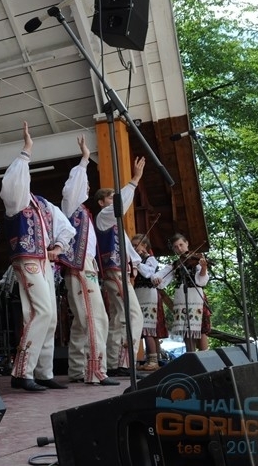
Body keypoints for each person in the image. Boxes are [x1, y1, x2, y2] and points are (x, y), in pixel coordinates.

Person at [0, 121, 75, 391]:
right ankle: (22, 372)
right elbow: (11, 183)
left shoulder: (43, 204)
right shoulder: (16, 201)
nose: (24, 177)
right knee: (40, 311)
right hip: (26, 259)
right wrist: (26, 151)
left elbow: (66, 227)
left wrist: (58, 247)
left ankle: (43, 372)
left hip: (44, 261)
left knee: (50, 316)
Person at [56, 136, 119, 386]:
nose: (86, 186)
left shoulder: (83, 211)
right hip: (80, 265)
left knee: (83, 320)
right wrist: (84, 160)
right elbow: (72, 186)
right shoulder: (72, 205)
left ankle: (77, 368)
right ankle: (96, 369)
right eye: (84, 183)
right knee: (95, 317)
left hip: (85, 265)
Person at [95, 157, 145, 377]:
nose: (115, 199)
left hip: (118, 271)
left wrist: (136, 263)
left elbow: (128, 248)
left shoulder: (114, 224)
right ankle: (126, 362)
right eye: (110, 197)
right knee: (133, 314)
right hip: (114, 271)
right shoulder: (104, 216)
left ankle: (115, 363)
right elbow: (120, 205)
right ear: (101, 202)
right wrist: (134, 180)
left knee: (118, 317)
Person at [153, 233, 210, 352]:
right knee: (186, 330)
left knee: (201, 330)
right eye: (175, 247)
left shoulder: (197, 259)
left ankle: (205, 357)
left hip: (196, 297)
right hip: (182, 299)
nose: (179, 248)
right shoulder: (175, 264)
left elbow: (201, 281)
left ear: (187, 243)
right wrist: (157, 279)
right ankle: (191, 357)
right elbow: (161, 275)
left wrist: (204, 268)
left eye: (181, 245)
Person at [131, 233, 166, 370]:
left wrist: (137, 262)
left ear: (144, 245)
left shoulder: (150, 259)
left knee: (148, 327)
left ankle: (153, 359)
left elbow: (148, 273)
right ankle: (148, 359)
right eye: (132, 246)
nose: (134, 248)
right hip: (138, 293)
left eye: (136, 245)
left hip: (149, 293)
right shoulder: (136, 260)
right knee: (142, 326)